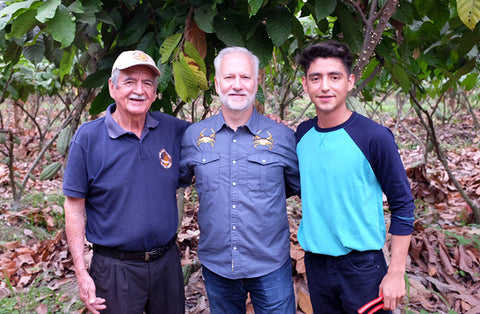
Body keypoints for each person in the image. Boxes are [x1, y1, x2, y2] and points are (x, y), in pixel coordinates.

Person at [63, 50, 189, 314]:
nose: (139, 91)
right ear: (112, 87)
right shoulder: (88, 139)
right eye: (130, 81)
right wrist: (81, 272)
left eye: (147, 83)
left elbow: (214, 138)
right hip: (114, 269)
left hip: (166, 262)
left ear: (155, 92)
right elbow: (74, 207)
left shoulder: (174, 130)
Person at [295, 40, 415, 313]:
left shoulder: (374, 137)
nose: (325, 86)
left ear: (349, 82)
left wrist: (396, 272)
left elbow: (403, 204)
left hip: (362, 266)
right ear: (305, 85)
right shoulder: (302, 135)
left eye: (334, 77)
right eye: (316, 78)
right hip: (315, 263)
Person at [180, 47, 301, 314]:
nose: (237, 85)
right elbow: (178, 180)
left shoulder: (281, 136)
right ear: (216, 84)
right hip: (218, 264)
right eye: (229, 77)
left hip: (270, 264)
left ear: (256, 82)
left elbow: (296, 187)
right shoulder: (194, 137)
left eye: (245, 78)